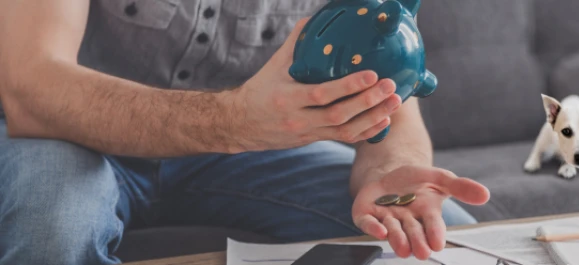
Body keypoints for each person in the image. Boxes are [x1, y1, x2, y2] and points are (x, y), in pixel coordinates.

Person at [0, 1, 491, 264]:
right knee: (51, 234)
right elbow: (32, 85)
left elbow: (389, 93)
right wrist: (234, 121)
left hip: (251, 149)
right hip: (68, 132)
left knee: (439, 244)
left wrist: (391, 167)